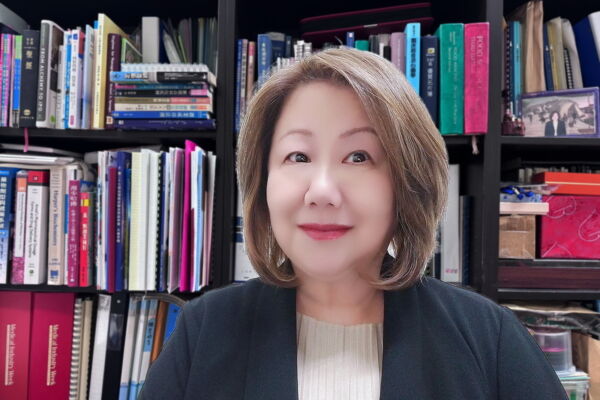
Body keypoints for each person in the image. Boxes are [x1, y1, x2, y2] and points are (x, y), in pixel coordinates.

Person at [138, 48, 567, 399]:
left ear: (406, 183)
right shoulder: (204, 330)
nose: (322, 191)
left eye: (358, 157)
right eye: (298, 156)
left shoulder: (488, 339)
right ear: (263, 181)